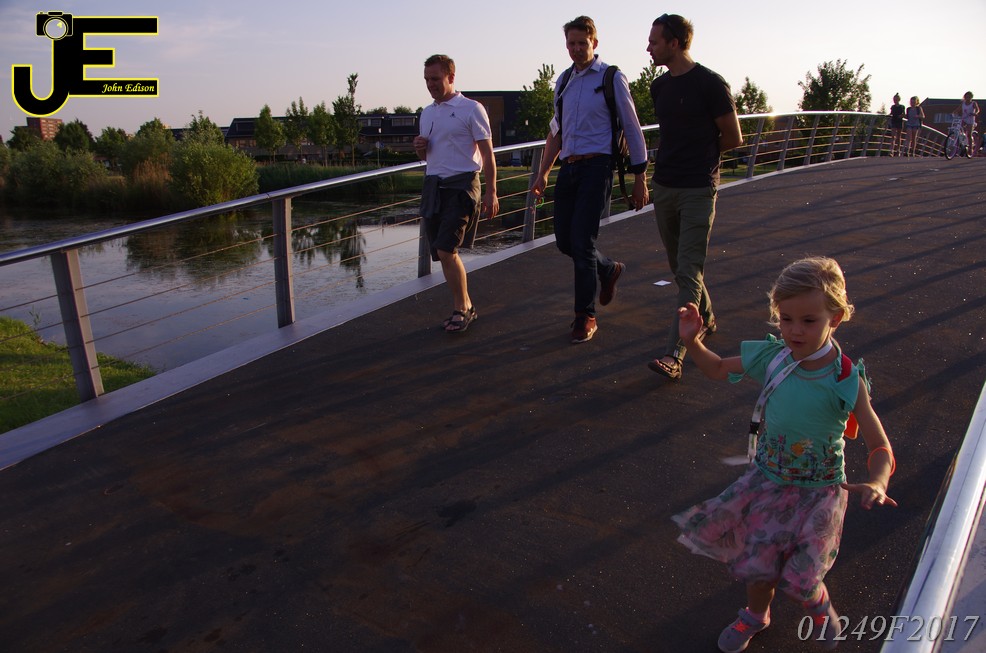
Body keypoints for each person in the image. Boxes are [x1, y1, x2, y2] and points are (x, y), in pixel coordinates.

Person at [671, 256, 897, 653]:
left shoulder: (845, 379)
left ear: (835, 318)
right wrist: (692, 342)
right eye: (786, 318)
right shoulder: (773, 357)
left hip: (820, 491)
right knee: (760, 567)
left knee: (804, 576)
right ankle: (756, 615)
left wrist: (877, 481)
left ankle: (819, 605)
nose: (794, 330)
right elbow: (718, 368)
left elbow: (880, 445)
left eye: (809, 320)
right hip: (768, 482)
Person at [532, 15, 649, 344]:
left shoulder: (611, 77)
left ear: (594, 43)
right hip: (568, 168)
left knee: (582, 242)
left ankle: (585, 315)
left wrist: (640, 176)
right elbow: (556, 131)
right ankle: (608, 268)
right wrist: (543, 172)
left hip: (598, 167)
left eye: (582, 43)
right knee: (565, 241)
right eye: (571, 43)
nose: (576, 49)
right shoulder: (563, 81)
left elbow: (632, 127)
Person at [645, 14, 743, 379]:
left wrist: (701, 157)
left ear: (674, 43)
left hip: (698, 189)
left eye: (654, 41)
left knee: (688, 270)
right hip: (665, 186)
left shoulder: (710, 84)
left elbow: (733, 137)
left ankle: (675, 354)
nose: (648, 48)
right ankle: (708, 316)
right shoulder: (659, 87)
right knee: (680, 267)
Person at [414, 54, 499, 332]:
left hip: (462, 186)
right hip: (434, 186)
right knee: (442, 253)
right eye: (427, 79)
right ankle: (466, 305)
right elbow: (429, 157)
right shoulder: (427, 113)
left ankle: (462, 309)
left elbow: (487, 154)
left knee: (446, 248)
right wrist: (420, 148)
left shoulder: (471, 109)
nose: (430, 84)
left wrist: (492, 192)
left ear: (451, 77)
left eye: (435, 79)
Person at [953, 92, 980, 159]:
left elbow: (977, 110)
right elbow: (957, 110)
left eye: (969, 97)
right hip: (964, 119)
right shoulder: (963, 104)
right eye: (966, 97)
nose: (968, 98)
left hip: (970, 120)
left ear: (971, 97)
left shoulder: (973, 103)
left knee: (969, 134)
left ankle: (970, 149)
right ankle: (959, 143)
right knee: (959, 129)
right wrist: (954, 113)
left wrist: (974, 113)